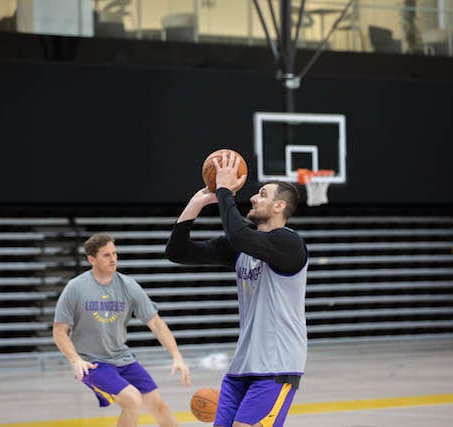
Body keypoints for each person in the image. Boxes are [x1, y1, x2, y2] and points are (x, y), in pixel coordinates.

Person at [165, 152, 308, 427]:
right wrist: (197, 202)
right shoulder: (241, 248)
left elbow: (239, 234)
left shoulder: (289, 244)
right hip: (242, 367)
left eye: (262, 194)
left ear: (279, 206)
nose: (253, 198)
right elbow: (178, 252)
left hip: (277, 367)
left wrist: (223, 190)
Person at [53, 233, 190, 427]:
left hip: (122, 358)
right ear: (92, 259)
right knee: (133, 400)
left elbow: (156, 323)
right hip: (91, 363)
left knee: (158, 406)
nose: (113, 259)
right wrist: (75, 360)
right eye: (106, 255)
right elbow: (59, 331)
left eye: (114, 253)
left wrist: (176, 355)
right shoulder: (75, 288)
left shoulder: (128, 285)